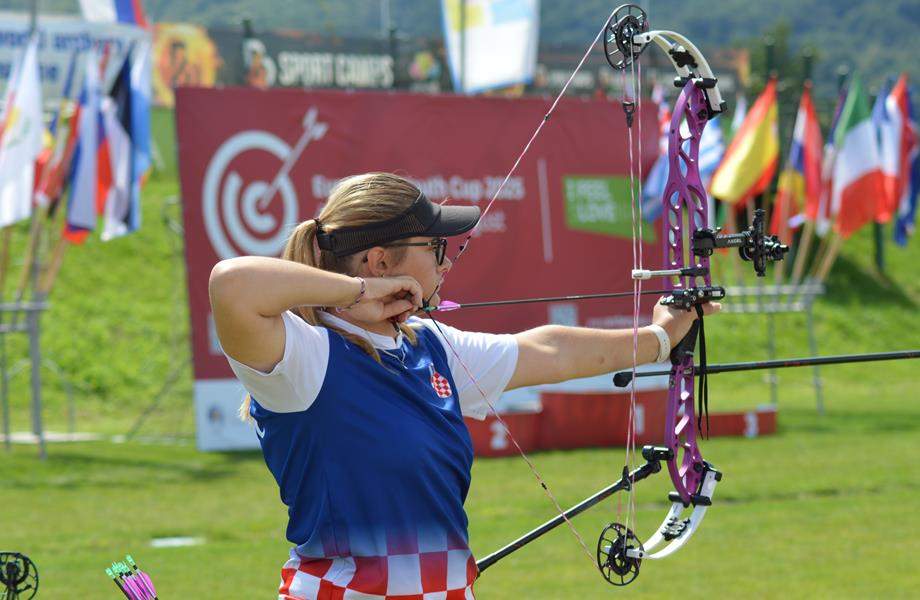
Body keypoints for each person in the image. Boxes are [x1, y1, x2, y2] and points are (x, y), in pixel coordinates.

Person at [208, 172, 719, 599]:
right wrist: (360, 292)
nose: (446, 262)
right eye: (434, 248)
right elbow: (231, 285)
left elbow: (549, 351)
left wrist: (658, 337)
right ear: (380, 261)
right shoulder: (305, 356)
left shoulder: (430, 346)